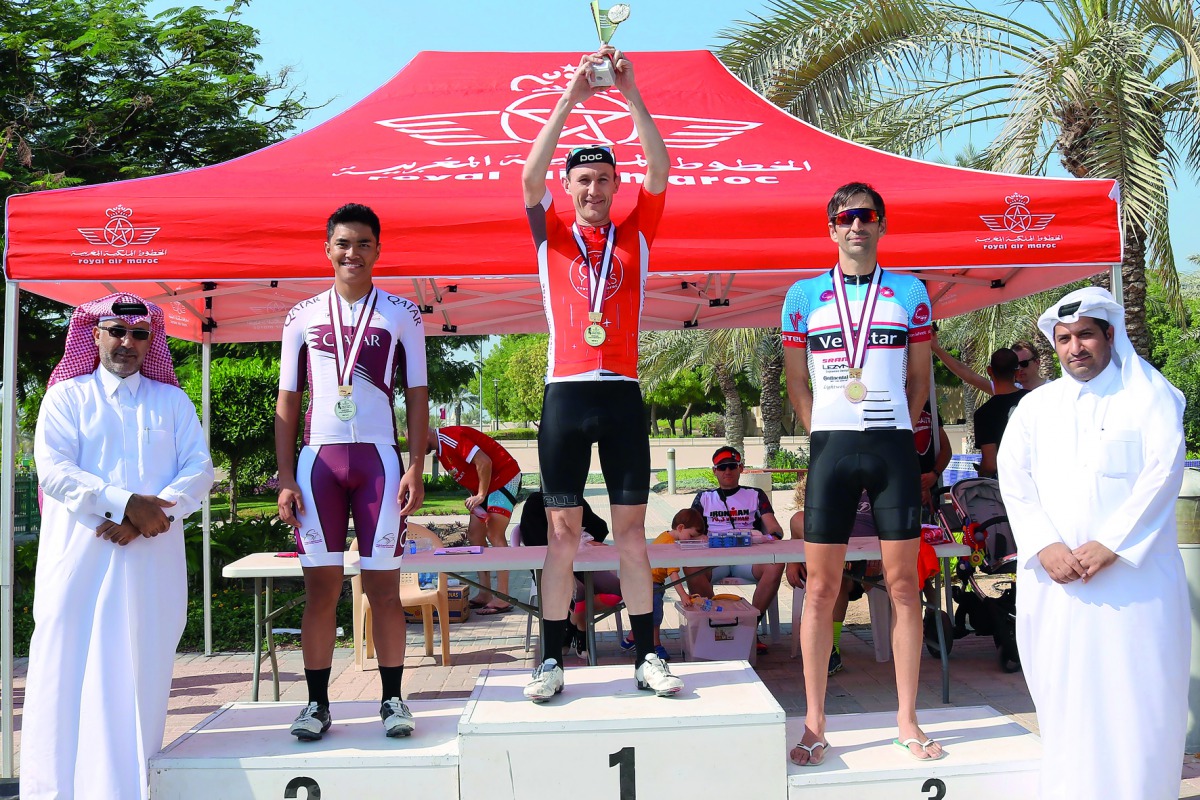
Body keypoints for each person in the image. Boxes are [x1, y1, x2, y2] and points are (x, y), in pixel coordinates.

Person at [519, 45, 681, 700]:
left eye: (603, 181)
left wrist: (630, 93)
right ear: (571, 189)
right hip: (563, 395)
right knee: (560, 534)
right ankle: (550, 661)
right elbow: (528, 179)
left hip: (619, 397)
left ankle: (648, 654)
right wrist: (571, 100)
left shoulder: (636, 232)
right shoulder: (550, 234)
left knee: (633, 533)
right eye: (581, 181)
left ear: (616, 188)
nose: (592, 190)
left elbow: (663, 169)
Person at [998, 286, 1188, 800]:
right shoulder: (1035, 408)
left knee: (1139, 698)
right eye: (1063, 339)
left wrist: (1111, 544)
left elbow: (1163, 473)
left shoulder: (1152, 398)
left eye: (1085, 335)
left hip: (1135, 580)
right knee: (1068, 697)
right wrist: (1043, 545)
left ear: (1110, 335)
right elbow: (1014, 482)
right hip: (1059, 583)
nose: (1075, 347)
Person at [22, 293, 215, 800]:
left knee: (139, 673)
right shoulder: (66, 398)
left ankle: (131, 789)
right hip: (79, 565)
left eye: (139, 334)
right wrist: (127, 503)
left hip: (150, 561)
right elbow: (56, 472)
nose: (126, 343)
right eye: (116, 332)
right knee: (66, 674)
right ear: (95, 335)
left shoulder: (171, 401)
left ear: (151, 341)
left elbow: (198, 469)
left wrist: (153, 514)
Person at [782, 182, 943, 765]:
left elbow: (920, 379)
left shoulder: (909, 293)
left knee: (903, 587)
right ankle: (815, 722)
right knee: (821, 589)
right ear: (831, 228)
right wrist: (822, 427)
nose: (856, 226)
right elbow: (796, 380)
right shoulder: (802, 295)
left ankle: (906, 719)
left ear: (880, 225)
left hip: (893, 446)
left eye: (867, 216)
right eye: (845, 218)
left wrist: (899, 421)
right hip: (831, 448)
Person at [275, 203, 429, 740]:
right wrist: (286, 476)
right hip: (317, 462)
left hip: (380, 464)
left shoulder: (403, 314)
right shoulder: (301, 315)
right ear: (327, 248)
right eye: (343, 243)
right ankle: (317, 704)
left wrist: (416, 463)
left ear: (378, 250)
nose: (353, 253)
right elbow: (288, 400)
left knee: (383, 589)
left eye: (364, 243)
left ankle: (392, 700)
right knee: (321, 590)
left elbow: (416, 393)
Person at [685, 446, 786, 654]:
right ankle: (715, 625)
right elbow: (688, 528)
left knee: (775, 566)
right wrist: (699, 536)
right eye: (722, 467)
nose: (727, 471)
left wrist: (768, 536)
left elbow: (775, 527)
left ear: (741, 468)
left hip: (748, 556)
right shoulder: (704, 497)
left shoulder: (755, 495)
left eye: (732, 466)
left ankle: (748, 629)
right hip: (715, 556)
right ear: (714, 471)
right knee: (690, 566)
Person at [787, 475, 883, 677]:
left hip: (865, 562)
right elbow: (808, 522)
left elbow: (891, 526)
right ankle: (826, 645)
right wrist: (792, 561)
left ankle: (831, 647)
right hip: (831, 556)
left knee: (835, 578)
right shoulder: (835, 484)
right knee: (798, 519)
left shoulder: (879, 488)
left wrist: (880, 550)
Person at [427, 425, 522, 614]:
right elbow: (470, 474)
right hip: (485, 487)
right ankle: (485, 592)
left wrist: (480, 495)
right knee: (475, 535)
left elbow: (484, 462)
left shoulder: (449, 438)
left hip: (504, 477)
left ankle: (503, 596)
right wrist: (477, 498)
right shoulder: (440, 451)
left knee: (494, 532)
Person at [516, 492, 620, 656]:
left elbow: (599, 526)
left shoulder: (572, 499)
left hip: (581, 566)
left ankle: (572, 624)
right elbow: (534, 545)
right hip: (548, 569)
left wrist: (585, 540)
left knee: (619, 589)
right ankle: (582, 632)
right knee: (578, 591)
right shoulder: (534, 504)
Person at [620, 507, 705, 660]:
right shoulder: (669, 545)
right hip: (649, 583)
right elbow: (673, 574)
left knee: (645, 611)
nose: (691, 540)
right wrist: (684, 595)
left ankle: (630, 640)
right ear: (680, 528)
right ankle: (655, 645)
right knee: (655, 616)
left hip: (642, 580)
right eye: (691, 536)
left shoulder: (666, 537)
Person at [971, 348, 1028, 479]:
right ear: (1017, 372)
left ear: (989, 371)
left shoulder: (983, 414)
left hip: (1009, 485)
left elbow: (991, 465)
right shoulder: (1035, 399)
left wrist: (981, 473)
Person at [933, 333, 1047, 394]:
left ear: (1038, 362)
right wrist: (936, 349)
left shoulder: (1053, 389)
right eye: (1015, 365)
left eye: (1024, 363)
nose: (1020, 368)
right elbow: (969, 376)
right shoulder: (1007, 389)